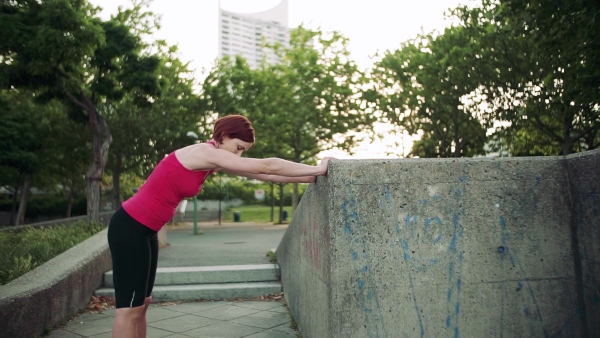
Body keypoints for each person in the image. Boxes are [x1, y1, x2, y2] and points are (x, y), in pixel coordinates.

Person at [107, 114, 332, 338]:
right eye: (238, 147)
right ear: (223, 136)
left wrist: (310, 176)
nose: (240, 154)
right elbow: (267, 165)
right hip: (131, 228)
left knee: (143, 303)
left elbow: (271, 175)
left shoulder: (213, 159)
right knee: (128, 311)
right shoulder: (205, 153)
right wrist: (319, 168)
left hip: (146, 231)